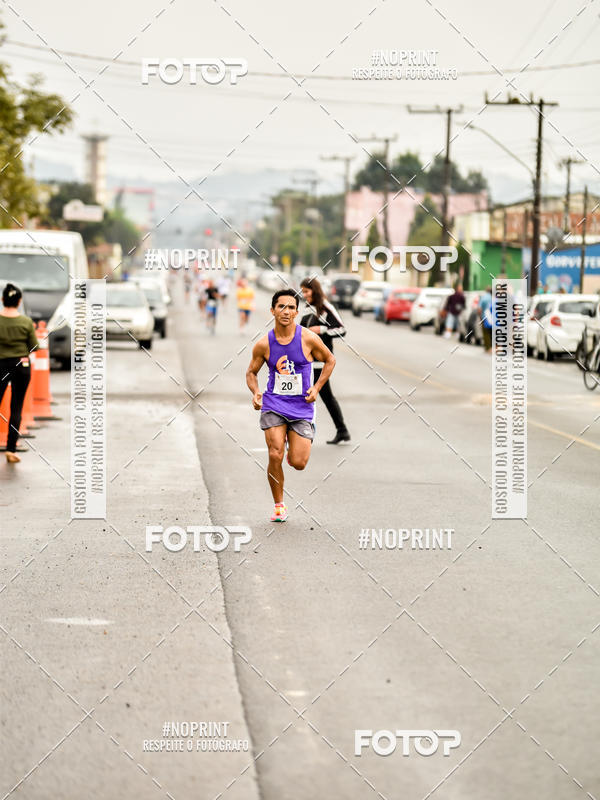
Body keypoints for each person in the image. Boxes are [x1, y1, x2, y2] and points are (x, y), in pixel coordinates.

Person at [246, 289, 335, 522]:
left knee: (298, 462)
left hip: (302, 407)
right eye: (281, 307)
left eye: (291, 307)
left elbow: (330, 360)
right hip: (274, 404)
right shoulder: (264, 343)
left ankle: (295, 445)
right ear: (273, 311)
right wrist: (256, 393)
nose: (286, 311)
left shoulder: (307, 338)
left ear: (297, 312)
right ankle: (279, 505)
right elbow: (251, 373)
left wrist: (316, 388)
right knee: (274, 454)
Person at [299, 276, 351, 444]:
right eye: (303, 292)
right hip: (306, 361)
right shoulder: (308, 309)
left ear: (314, 290)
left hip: (321, 362)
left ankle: (306, 433)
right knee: (319, 395)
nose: (305, 295)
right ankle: (342, 430)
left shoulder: (326, 307)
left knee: (314, 395)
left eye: (306, 291)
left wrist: (321, 329)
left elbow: (342, 329)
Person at [0, 283, 38, 463]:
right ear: (19, 301)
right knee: (16, 407)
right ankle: (11, 449)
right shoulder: (26, 322)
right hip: (20, 366)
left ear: (2, 300)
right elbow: (34, 346)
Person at [479, 285, 493, 353]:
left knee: (485, 333)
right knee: (491, 332)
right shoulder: (492, 298)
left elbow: (479, 308)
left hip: (484, 317)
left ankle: (488, 347)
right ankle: (491, 347)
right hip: (491, 317)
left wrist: (480, 316)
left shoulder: (483, 297)